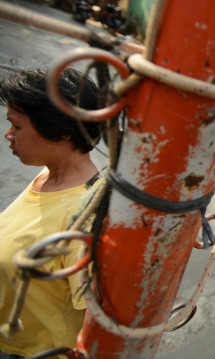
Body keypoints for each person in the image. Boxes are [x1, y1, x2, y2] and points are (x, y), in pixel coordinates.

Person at [0, 68, 102, 358]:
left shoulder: (82, 220)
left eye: (16, 127)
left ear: (61, 133)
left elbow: (93, 322)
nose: (8, 135)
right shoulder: (48, 176)